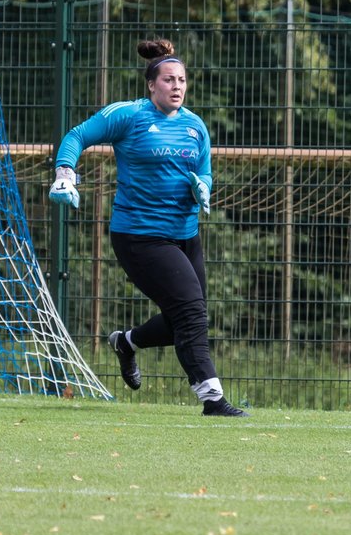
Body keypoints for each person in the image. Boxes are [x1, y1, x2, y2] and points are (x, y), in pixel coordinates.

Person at [48, 38, 247, 417]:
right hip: (140, 236)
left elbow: (204, 170)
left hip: (186, 235)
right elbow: (77, 136)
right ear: (151, 85)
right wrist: (65, 174)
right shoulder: (129, 115)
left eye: (182, 80)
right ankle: (212, 397)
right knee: (191, 312)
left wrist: (204, 186)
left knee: (183, 321)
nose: (177, 87)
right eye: (169, 80)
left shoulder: (194, 126)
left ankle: (127, 342)